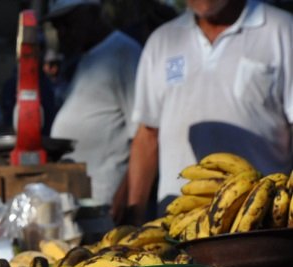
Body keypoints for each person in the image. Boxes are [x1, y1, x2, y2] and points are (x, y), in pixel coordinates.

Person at [119, 0, 293, 225]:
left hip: (262, 219)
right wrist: (135, 214)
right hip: (178, 220)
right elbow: (147, 135)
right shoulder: (163, 41)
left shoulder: (282, 31)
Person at [46, 0, 142, 211]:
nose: (61, 33)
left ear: (91, 14)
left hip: (107, 201)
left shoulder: (124, 53)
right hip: (80, 199)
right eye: (56, 27)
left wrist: (126, 196)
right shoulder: (86, 58)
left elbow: (143, 136)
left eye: (67, 23)